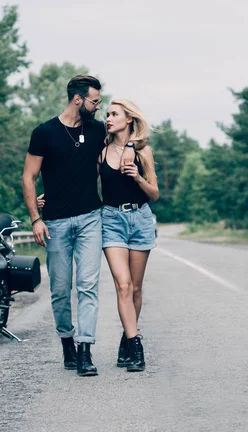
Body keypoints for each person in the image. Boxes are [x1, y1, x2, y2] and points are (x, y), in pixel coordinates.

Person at [22, 75, 135, 376]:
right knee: (60, 290)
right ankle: (67, 341)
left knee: (88, 287)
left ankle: (86, 350)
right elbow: (28, 177)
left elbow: (124, 141)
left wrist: (137, 165)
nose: (98, 107)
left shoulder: (98, 130)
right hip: (56, 223)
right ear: (77, 100)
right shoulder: (44, 132)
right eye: (95, 102)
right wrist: (36, 218)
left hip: (90, 219)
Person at [100, 99, 159, 372]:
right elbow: (81, 184)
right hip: (111, 221)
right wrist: (50, 198)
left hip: (140, 219)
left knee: (135, 288)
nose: (108, 118)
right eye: (107, 114)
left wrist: (137, 177)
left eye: (114, 114)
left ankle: (126, 339)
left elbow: (155, 194)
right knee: (122, 285)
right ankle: (136, 346)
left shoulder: (143, 152)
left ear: (129, 119)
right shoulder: (101, 153)